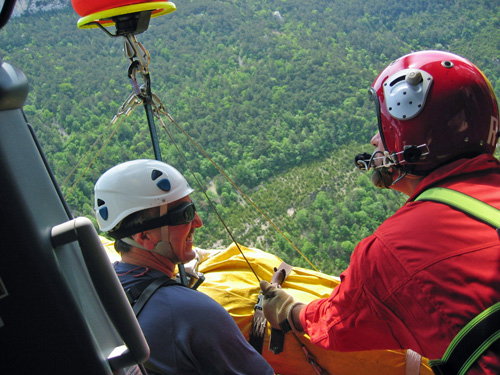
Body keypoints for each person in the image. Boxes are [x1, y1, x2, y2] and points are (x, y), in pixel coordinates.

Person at [260, 50, 500, 374]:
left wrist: (289, 310)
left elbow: (337, 323)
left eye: (384, 129)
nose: (375, 140)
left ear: (413, 140)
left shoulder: (394, 249)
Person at [94, 159, 274, 375]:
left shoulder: (98, 291)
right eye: (185, 214)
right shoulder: (193, 313)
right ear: (145, 236)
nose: (198, 222)